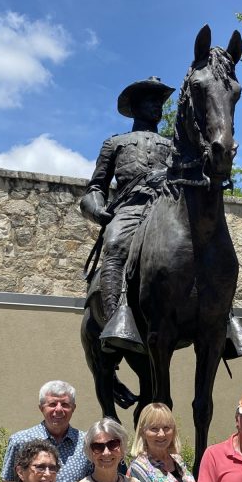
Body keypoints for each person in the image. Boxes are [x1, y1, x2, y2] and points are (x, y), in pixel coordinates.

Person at [80, 76, 174, 339]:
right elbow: (95, 187)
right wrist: (98, 210)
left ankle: (224, 321)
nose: (158, 106)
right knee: (116, 245)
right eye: (150, 101)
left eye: (159, 101)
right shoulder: (115, 143)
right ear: (134, 107)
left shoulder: (173, 146)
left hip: (166, 207)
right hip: (130, 209)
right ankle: (115, 323)